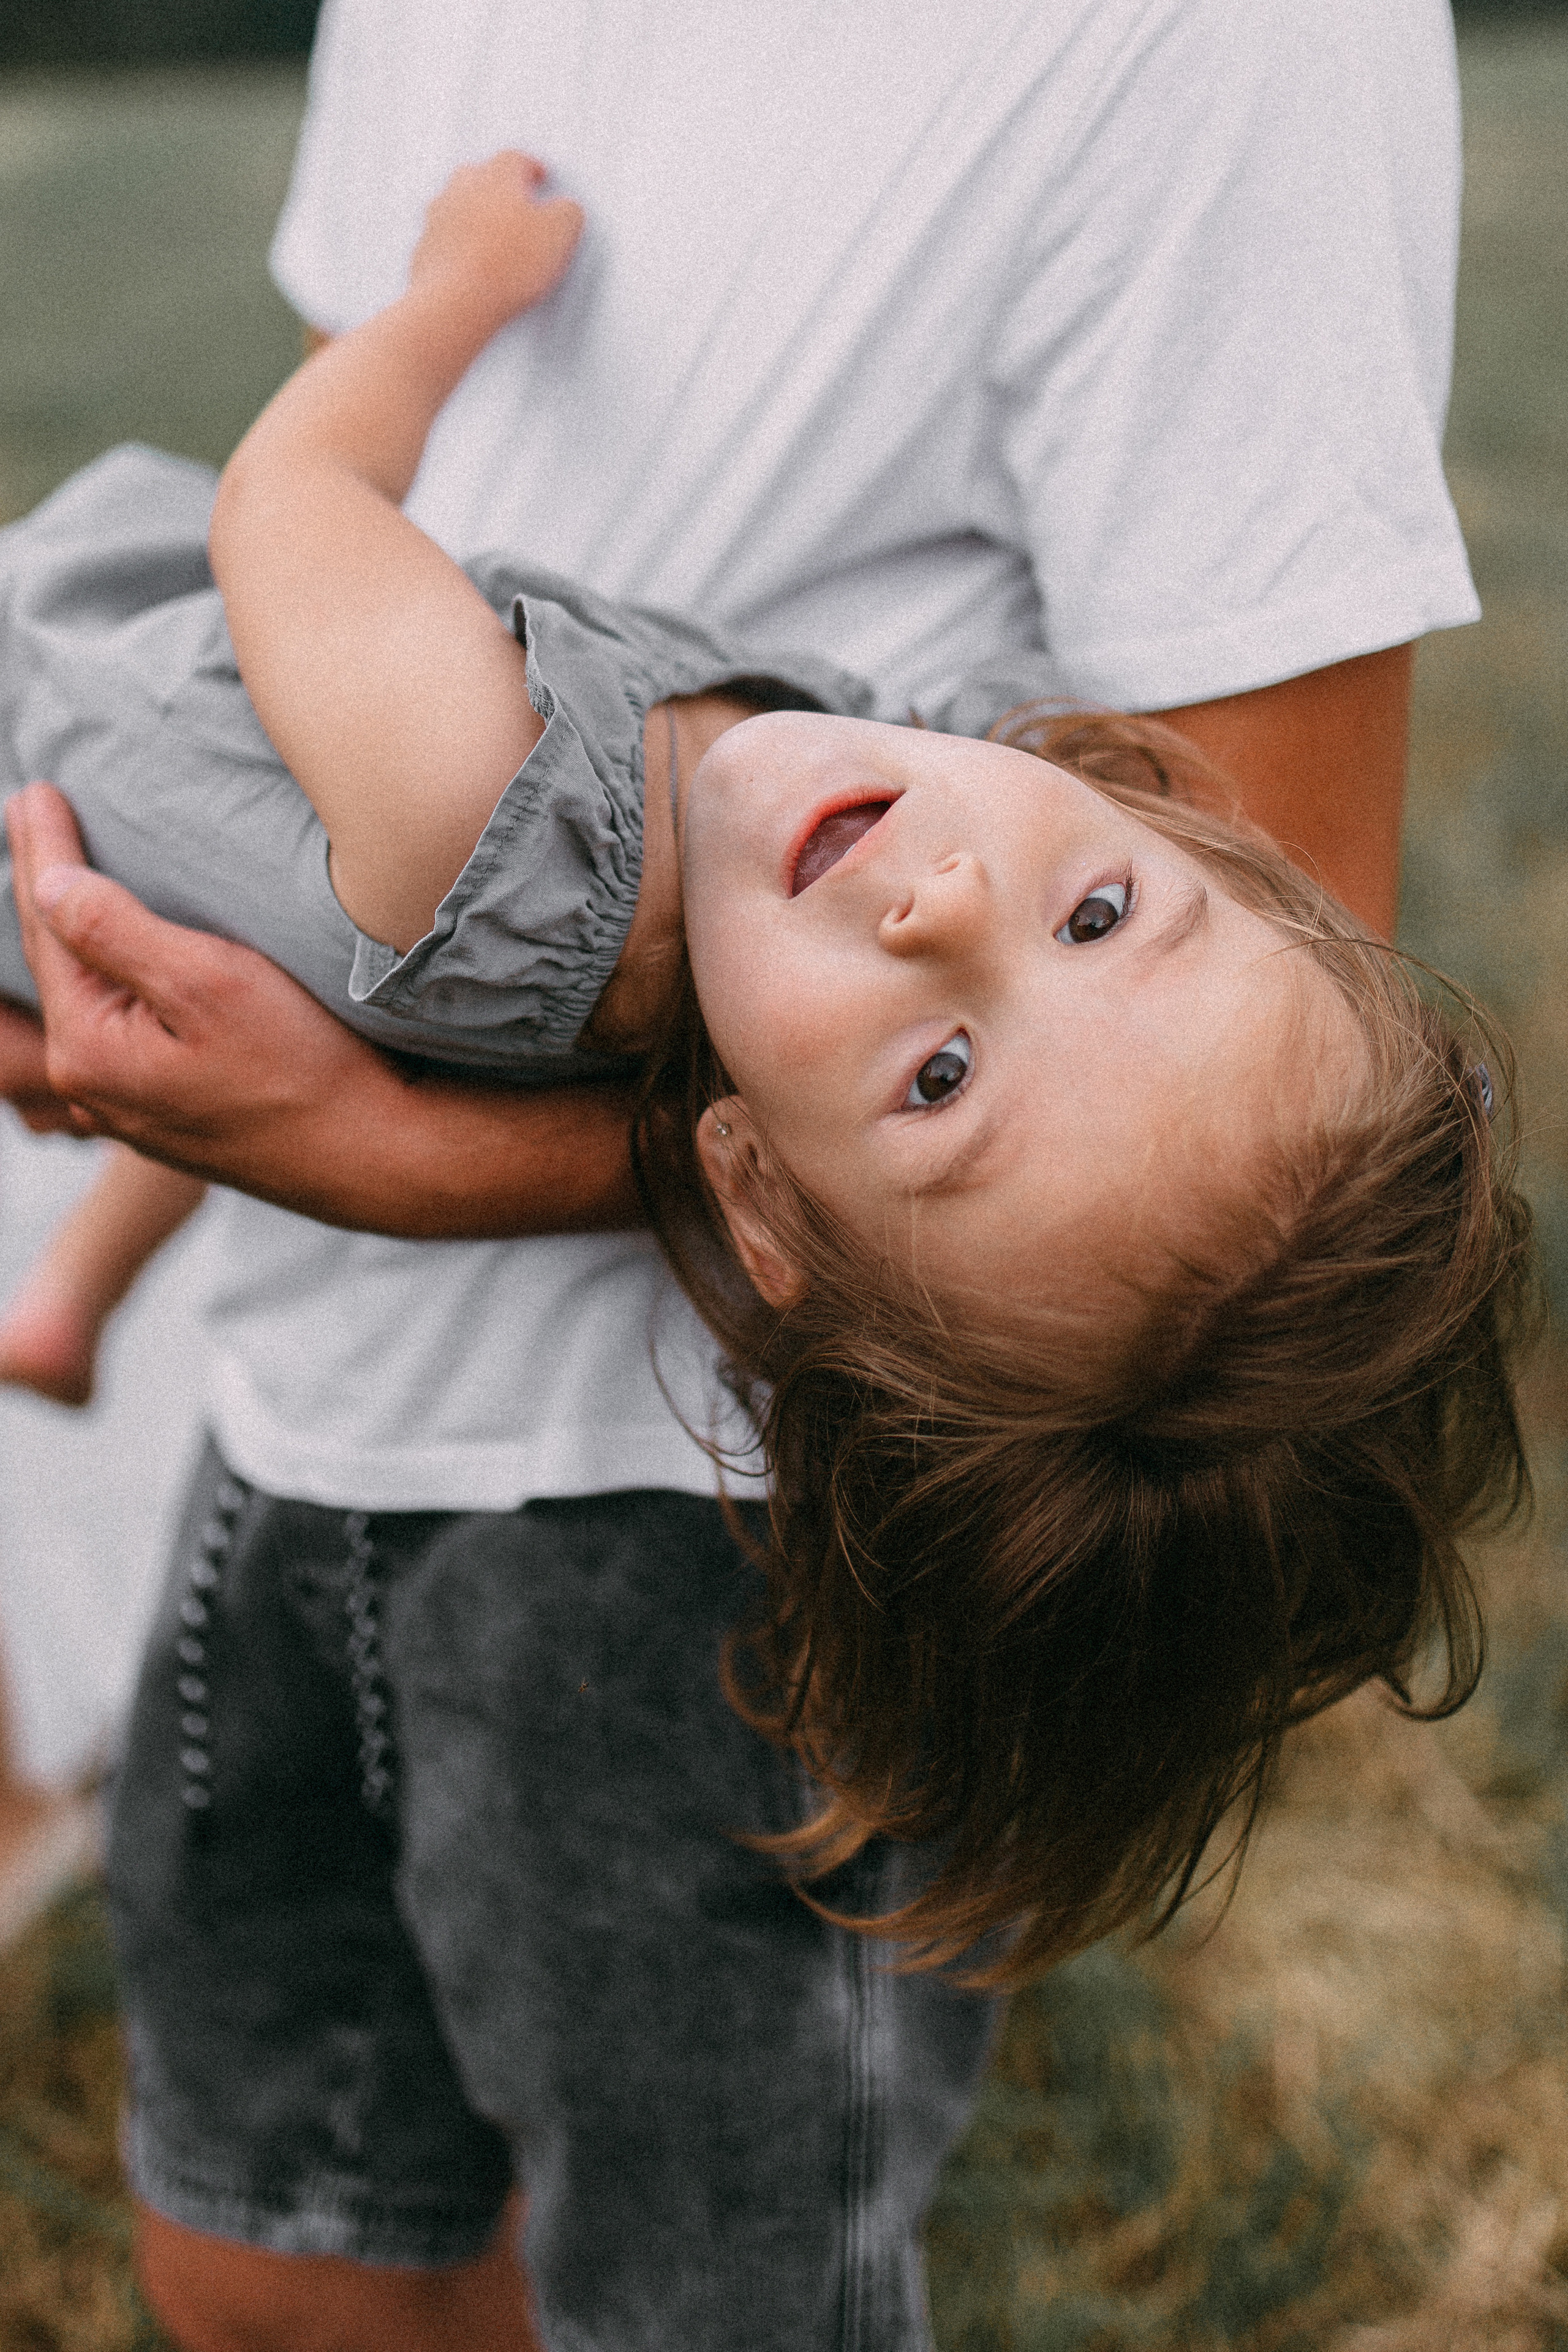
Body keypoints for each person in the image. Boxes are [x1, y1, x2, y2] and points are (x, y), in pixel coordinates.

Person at [0, 3, 1495, 2347]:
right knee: (262, 2258)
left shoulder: (1226, 48)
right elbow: (304, 601)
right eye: (1083, 905)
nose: (939, 904)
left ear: (766, 1214)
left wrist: (384, 1143)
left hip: (659, 1556)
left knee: (692, 2298)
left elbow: (1283, 943)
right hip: (303, 1397)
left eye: (937, 1069)